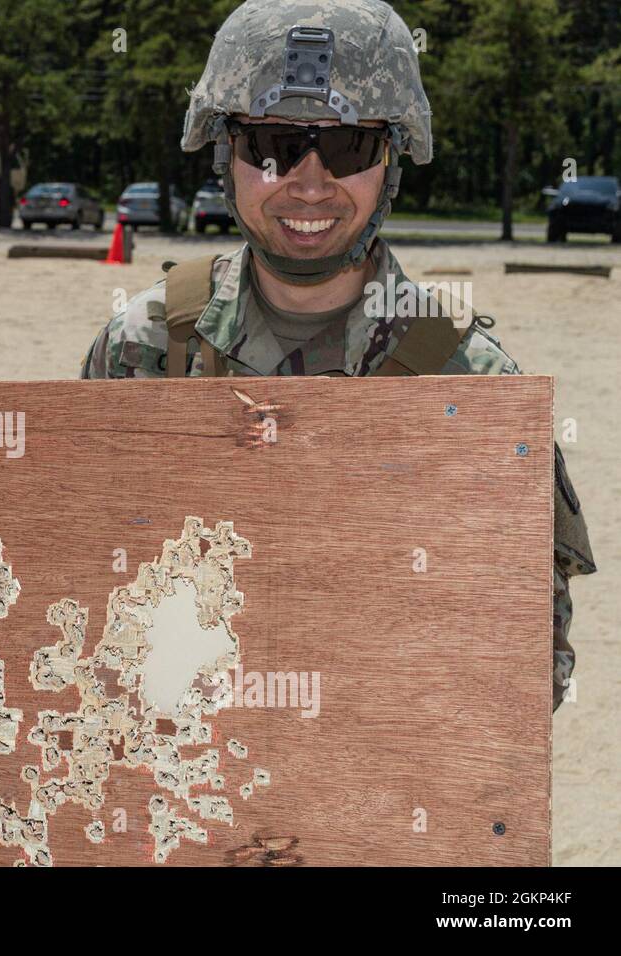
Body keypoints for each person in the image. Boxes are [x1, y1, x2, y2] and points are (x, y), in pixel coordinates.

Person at [81, 0, 595, 710]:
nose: (311, 183)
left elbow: (530, 663)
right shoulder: (141, 350)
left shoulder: (468, 381)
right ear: (226, 155)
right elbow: (73, 594)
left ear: (389, 164)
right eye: (274, 146)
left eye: (349, 147)